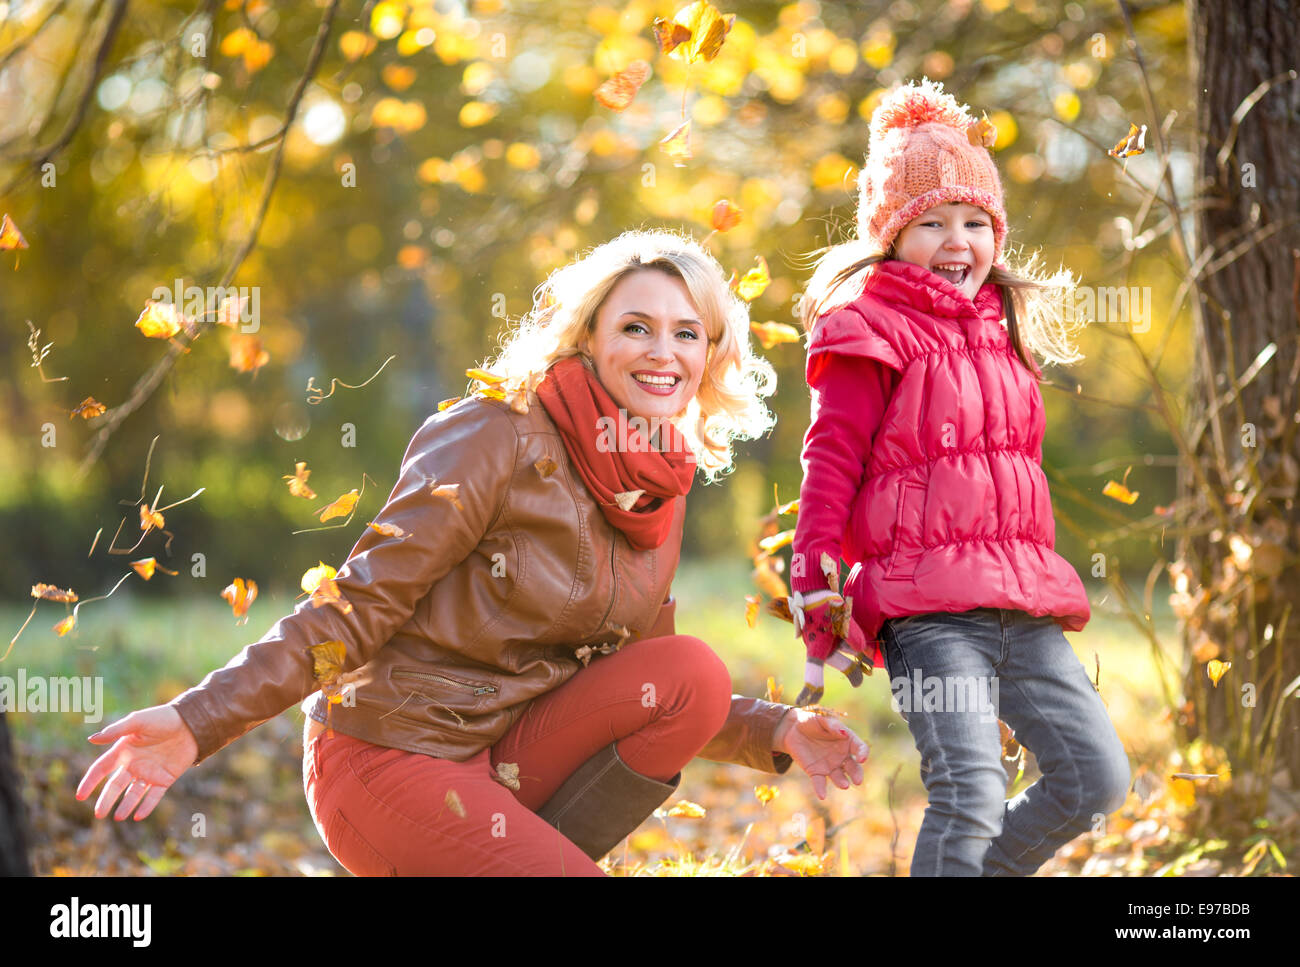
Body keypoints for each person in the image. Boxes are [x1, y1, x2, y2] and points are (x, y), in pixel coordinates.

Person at [76, 230, 870, 876]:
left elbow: (640, 672)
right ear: (588, 335)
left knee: (690, 671)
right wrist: (196, 719)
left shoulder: (657, 480)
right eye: (635, 325)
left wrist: (778, 730)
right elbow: (358, 604)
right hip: (391, 754)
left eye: (685, 333)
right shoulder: (497, 434)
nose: (662, 351)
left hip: (508, 757)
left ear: (709, 358)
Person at [788, 79, 1130, 876]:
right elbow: (831, 457)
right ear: (892, 234)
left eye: (976, 222)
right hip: (926, 611)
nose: (958, 240)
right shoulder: (867, 329)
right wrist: (815, 580)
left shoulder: (1002, 330)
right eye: (932, 222)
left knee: (1096, 780)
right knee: (970, 788)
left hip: (1022, 601)